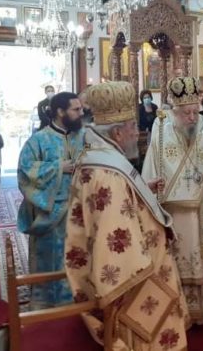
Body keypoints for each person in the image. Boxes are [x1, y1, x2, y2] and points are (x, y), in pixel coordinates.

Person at [65, 81, 188, 351]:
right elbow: (116, 240)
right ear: (118, 132)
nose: (137, 133)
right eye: (133, 127)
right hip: (135, 281)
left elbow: (117, 205)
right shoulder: (107, 173)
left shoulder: (99, 157)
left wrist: (141, 190)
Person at [142, 76, 203, 323]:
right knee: (178, 259)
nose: (192, 118)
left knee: (202, 258)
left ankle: (202, 308)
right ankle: (179, 312)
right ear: (175, 113)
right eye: (186, 113)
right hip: (176, 216)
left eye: (195, 112)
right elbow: (150, 176)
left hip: (202, 212)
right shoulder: (161, 139)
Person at [17, 91, 85, 308]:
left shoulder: (84, 136)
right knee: (51, 260)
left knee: (79, 259)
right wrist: (58, 167)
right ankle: (46, 308)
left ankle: (79, 304)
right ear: (60, 112)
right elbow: (25, 171)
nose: (81, 113)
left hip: (81, 210)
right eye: (76, 109)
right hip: (51, 214)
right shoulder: (38, 140)